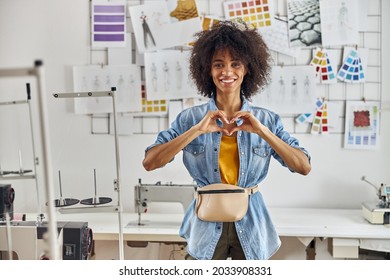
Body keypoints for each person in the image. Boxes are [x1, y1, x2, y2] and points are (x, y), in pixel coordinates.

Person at [142, 20, 311, 260]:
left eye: (235, 64)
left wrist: (263, 132)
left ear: (247, 69)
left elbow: (303, 166)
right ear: (208, 71)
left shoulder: (267, 120)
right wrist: (197, 130)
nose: (227, 72)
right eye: (218, 64)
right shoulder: (190, 118)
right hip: (205, 225)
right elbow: (150, 162)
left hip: (251, 223)